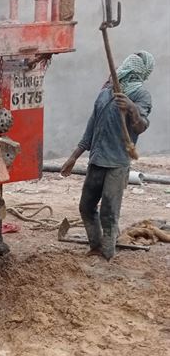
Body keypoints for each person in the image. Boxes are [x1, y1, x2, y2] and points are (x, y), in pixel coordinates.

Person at [61, 51, 154, 260]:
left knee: (109, 213)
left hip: (117, 164)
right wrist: (74, 157)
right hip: (97, 160)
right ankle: (95, 245)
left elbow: (141, 127)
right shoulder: (106, 92)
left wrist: (132, 109)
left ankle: (107, 254)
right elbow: (91, 129)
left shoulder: (140, 96)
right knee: (86, 207)